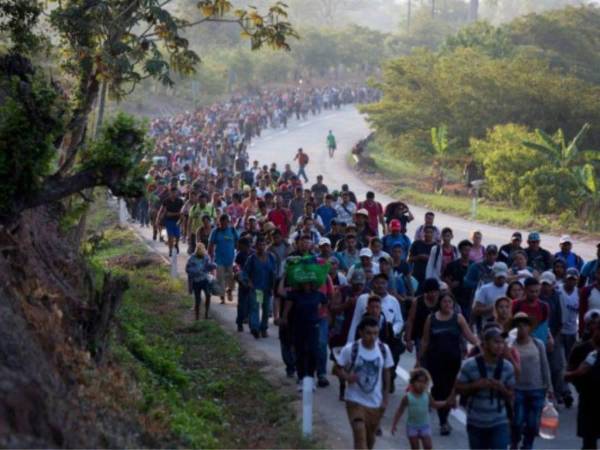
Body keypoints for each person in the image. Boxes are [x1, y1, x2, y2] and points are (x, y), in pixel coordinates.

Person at [421, 293, 479, 436]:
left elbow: (470, 336)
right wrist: (419, 359)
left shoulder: (458, 318)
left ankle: (443, 421)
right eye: (445, 302)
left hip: (452, 362)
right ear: (440, 303)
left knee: (448, 390)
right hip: (434, 361)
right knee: (438, 390)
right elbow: (425, 341)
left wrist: (481, 346)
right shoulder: (431, 318)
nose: (447, 304)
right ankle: (443, 420)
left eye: (450, 302)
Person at [334, 316, 394, 450]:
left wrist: (385, 398)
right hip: (354, 401)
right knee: (360, 435)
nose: (372, 337)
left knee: (369, 440)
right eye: (368, 333)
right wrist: (347, 377)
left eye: (375, 333)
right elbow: (336, 368)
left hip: (375, 403)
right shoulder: (351, 349)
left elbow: (387, 373)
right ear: (360, 332)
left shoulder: (384, 350)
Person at [455, 324, 516, 450]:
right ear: (485, 344)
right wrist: (475, 385)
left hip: (499, 421)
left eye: (502, 343)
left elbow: (511, 394)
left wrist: (501, 388)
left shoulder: (507, 367)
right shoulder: (470, 365)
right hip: (476, 421)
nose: (500, 346)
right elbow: (458, 387)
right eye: (496, 342)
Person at [509, 312, 554, 450]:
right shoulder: (510, 346)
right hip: (517, 389)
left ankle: (527, 445)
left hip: (537, 388)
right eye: (518, 326)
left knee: (533, 423)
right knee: (517, 421)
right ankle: (514, 442)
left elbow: (545, 365)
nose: (521, 328)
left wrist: (549, 388)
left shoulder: (538, 344)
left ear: (529, 328)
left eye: (524, 325)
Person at [390, 368, 452, 450]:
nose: (421, 384)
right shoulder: (408, 397)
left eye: (424, 382)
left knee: (428, 447)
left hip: (424, 426)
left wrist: (446, 403)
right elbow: (400, 411)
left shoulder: (427, 395)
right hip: (412, 427)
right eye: (419, 381)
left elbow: (434, 404)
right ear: (412, 382)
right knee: (415, 448)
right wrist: (394, 424)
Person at [281, 281, 327, 388]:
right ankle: (301, 377)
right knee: (300, 352)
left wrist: (323, 316)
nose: (306, 285)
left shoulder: (318, 295)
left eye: (308, 283)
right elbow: (287, 308)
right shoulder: (295, 294)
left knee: (313, 352)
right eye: (304, 283)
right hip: (298, 327)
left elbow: (325, 305)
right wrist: (284, 318)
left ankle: (310, 378)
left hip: (313, 327)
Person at [566, 309, 600, 450]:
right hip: (589, 402)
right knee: (589, 443)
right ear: (595, 329)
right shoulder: (581, 349)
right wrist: (579, 373)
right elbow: (566, 376)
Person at [243, 236, 277, 338]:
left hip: (267, 288)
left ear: (266, 246)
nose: (261, 247)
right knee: (255, 307)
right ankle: (255, 328)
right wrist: (249, 282)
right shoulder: (252, 259)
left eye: (263, 245)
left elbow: (274, 272)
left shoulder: (271, 257)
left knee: (266, 310)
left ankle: (264, 328)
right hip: (256, 288)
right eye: (259, 245)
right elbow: (245, 272)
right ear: (256, 246)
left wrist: (274, 286)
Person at [208, 214, 239, 304]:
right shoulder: (215, 232)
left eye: (225, 223)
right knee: (220, 279)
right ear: (219, 222)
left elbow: (238, 242)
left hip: (231, 260)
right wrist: (209, 258)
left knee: (231, 279)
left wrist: (238, 255)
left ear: (228, 223)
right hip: (219, 260)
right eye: (222, 223)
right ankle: (222, 297)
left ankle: (229, 290)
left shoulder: (232, 230)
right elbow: (210, 245)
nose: (223, 225)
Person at [405, 278, 440, 356]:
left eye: (435, 292)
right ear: (426, 292)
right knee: (421, 359)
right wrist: (408, 340)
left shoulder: (441, 301)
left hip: (437, 336)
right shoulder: (417, 302)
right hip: (420, 336)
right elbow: (410, 320)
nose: (434, 294)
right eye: (431, 292)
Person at [443, 239, 474, 321]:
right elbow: (445, 278)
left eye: (469, 250)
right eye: (464, 250)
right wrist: (450, 284)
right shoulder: (453, 265)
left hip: (470, 299)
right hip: (456, 299)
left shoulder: (474, 266)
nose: (467, 252)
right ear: (460, 250)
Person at [472, 262, 509, 327]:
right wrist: (493, 308)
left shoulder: (509, 288)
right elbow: (476, 310)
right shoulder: (485, 289)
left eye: (503, 277)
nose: (501, 279)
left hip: (506, 325)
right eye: (499, 277)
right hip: (488, 325)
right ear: (493, 275)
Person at [185, 242, 216, 320]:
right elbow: (187, 269)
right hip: (196, 281)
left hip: (205, 280)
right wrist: (196, 271)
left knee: (208, 296)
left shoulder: (206, 257)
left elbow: (209, 266)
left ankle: (206, 314)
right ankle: (197, 317)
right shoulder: (192, 258)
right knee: (197, 299)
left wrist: (213, 266)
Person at [158, 186, 184, 256]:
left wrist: (178, 216)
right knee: (170, 236)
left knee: (178, 235)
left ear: (177, 193)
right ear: (170, 193)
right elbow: (161, 209)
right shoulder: (166, 201)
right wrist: (158, 217)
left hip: (177, 221)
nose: (174, 194)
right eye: (172, 193)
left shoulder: (180, 201)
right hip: (168, 221)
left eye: (175, 192)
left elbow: (182, 211)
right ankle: (170, 250)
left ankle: (176, 244)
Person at [579, 265, 600, 336]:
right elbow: (582, 313)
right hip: (589, 333)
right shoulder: (586, 291)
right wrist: (581, 332)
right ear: (596, 274)